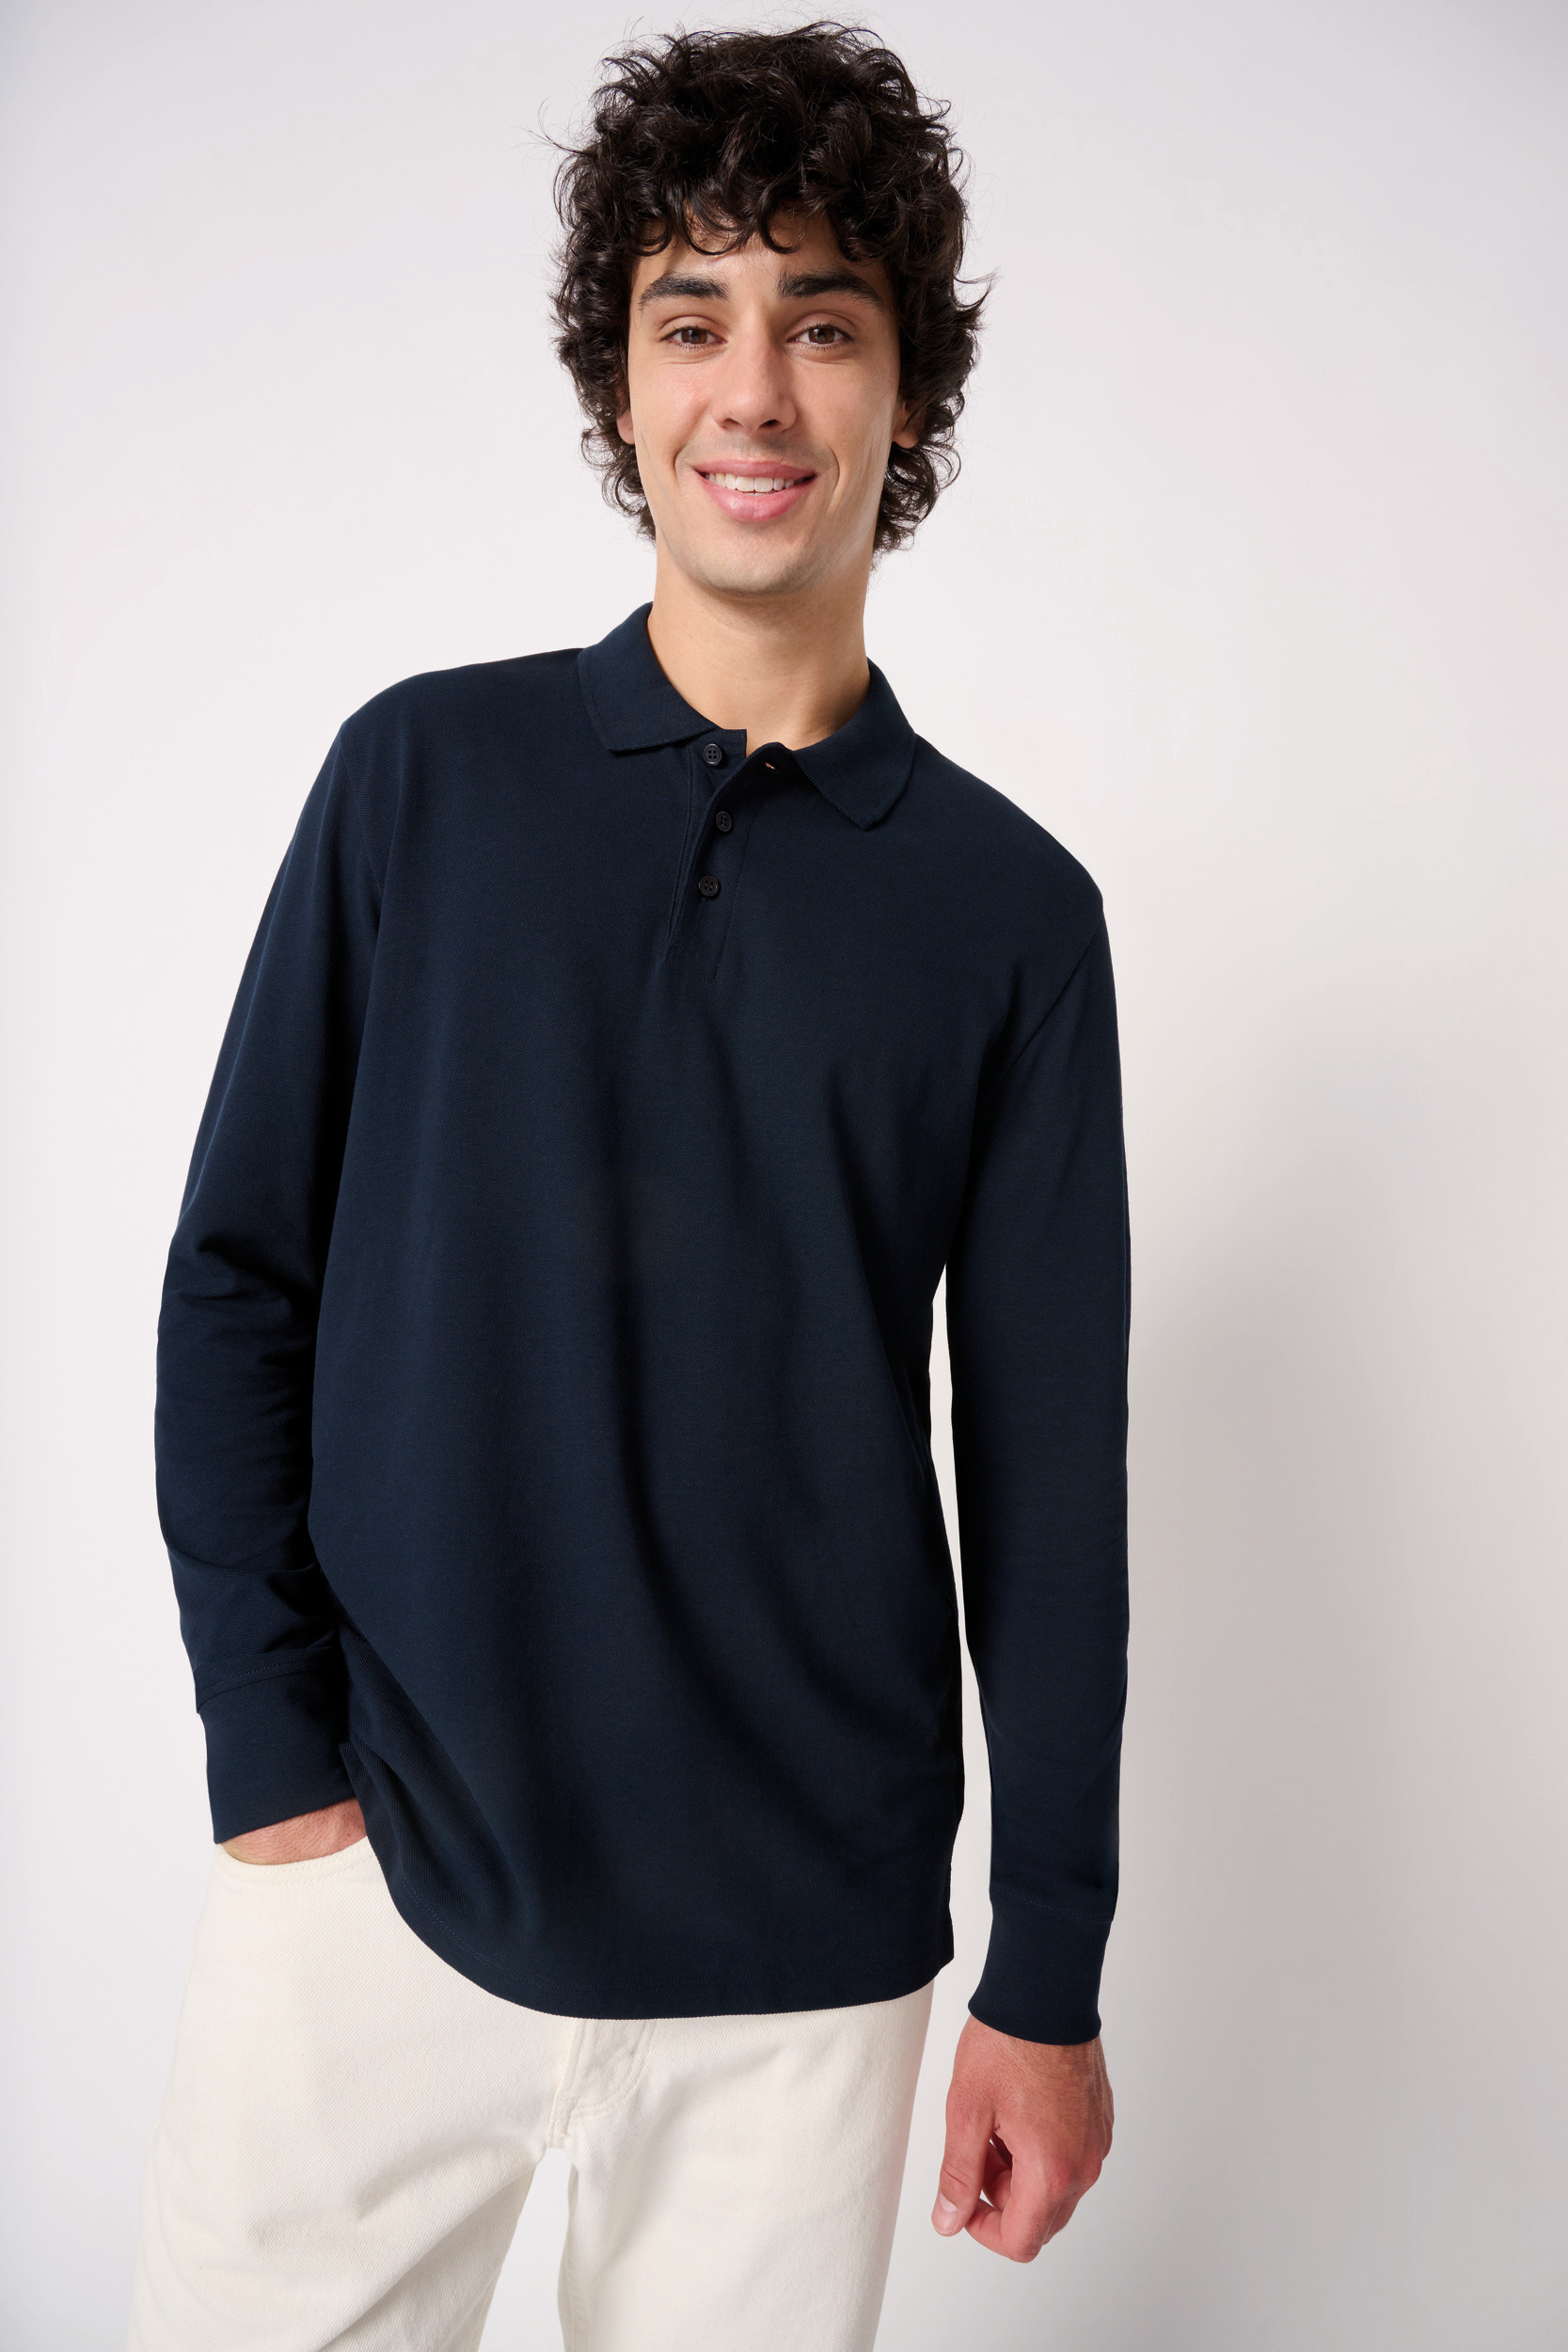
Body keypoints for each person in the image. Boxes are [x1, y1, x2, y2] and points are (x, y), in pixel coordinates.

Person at [129, 23, 1128, 2352]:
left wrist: (1049, 1972)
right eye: (695, 319)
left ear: (907, 388)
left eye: (824, 322)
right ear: (621, 382)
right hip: (375, 1882)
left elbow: (1048, 1479)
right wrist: (271, 1755)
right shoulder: (420, 780)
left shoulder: (1012, 916)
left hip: (802, 1961)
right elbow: (238, 1276)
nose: (754, 389)